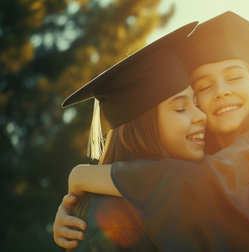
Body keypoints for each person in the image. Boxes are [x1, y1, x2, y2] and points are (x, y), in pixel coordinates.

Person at [55, 11, 249, 251]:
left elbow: (200, 186)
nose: (221, 92)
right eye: (203, 88)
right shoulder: (204, 154)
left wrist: (86, 176)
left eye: (235, 77)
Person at [53, 21, 207, 251]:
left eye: (196, 102)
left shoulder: (193, 181)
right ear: (141, 126)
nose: (201, 116)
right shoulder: (115, 219)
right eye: (180, 108)